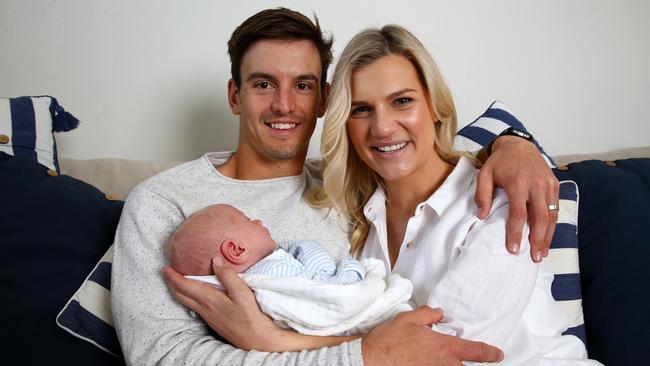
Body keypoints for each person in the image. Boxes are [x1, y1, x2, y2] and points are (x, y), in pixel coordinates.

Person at [114, 7, 558, 365]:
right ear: (235, 95)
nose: (284, 105)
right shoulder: (164, 201)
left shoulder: (342, 189)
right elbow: (164, 354)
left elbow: (427, 150)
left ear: (325, 101)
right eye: (263, 84)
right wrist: (362, 355)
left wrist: (515, 146)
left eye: (303, 85)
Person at [307, 25, 599, 364]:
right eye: (361, 109)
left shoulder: (501, 200)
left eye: (402, 101)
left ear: (435, 107)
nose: (383, 127)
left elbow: (440, 354)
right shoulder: (356, 225)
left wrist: (269, 338)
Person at [167, 203, 414, 336]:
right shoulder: (273, 273)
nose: (259, 222)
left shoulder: (264, 275)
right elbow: (333, 294)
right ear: (236, 250)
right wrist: (353, 268)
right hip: (365, 319)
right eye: (247, 219)